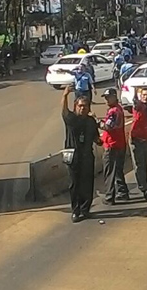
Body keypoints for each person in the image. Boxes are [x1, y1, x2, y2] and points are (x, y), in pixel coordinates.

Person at [61, 86, 100, 223]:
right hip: (74, 158)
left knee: (87, 184)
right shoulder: (72, 120)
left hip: (87, 157)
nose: (82, 109)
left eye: (85, 106)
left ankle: (85, 209)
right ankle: (76, 211)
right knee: (75, 185)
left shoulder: (91, 122)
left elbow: (96, 138)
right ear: (76, 107)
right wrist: (65, 95)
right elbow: (64, 112)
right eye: (80, 106)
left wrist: (102, 140)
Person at [100, 88, 129, 205]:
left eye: (108, 98)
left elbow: (108, 127)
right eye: (105, 98)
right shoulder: (118, 109)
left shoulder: (114, 112)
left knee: (110, 171)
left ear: (114, 97)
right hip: (119, 144)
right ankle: (122, 192)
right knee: (117, 170)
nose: (106, 100)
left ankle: (109, 196)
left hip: (113, 145)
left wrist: (96, 121)